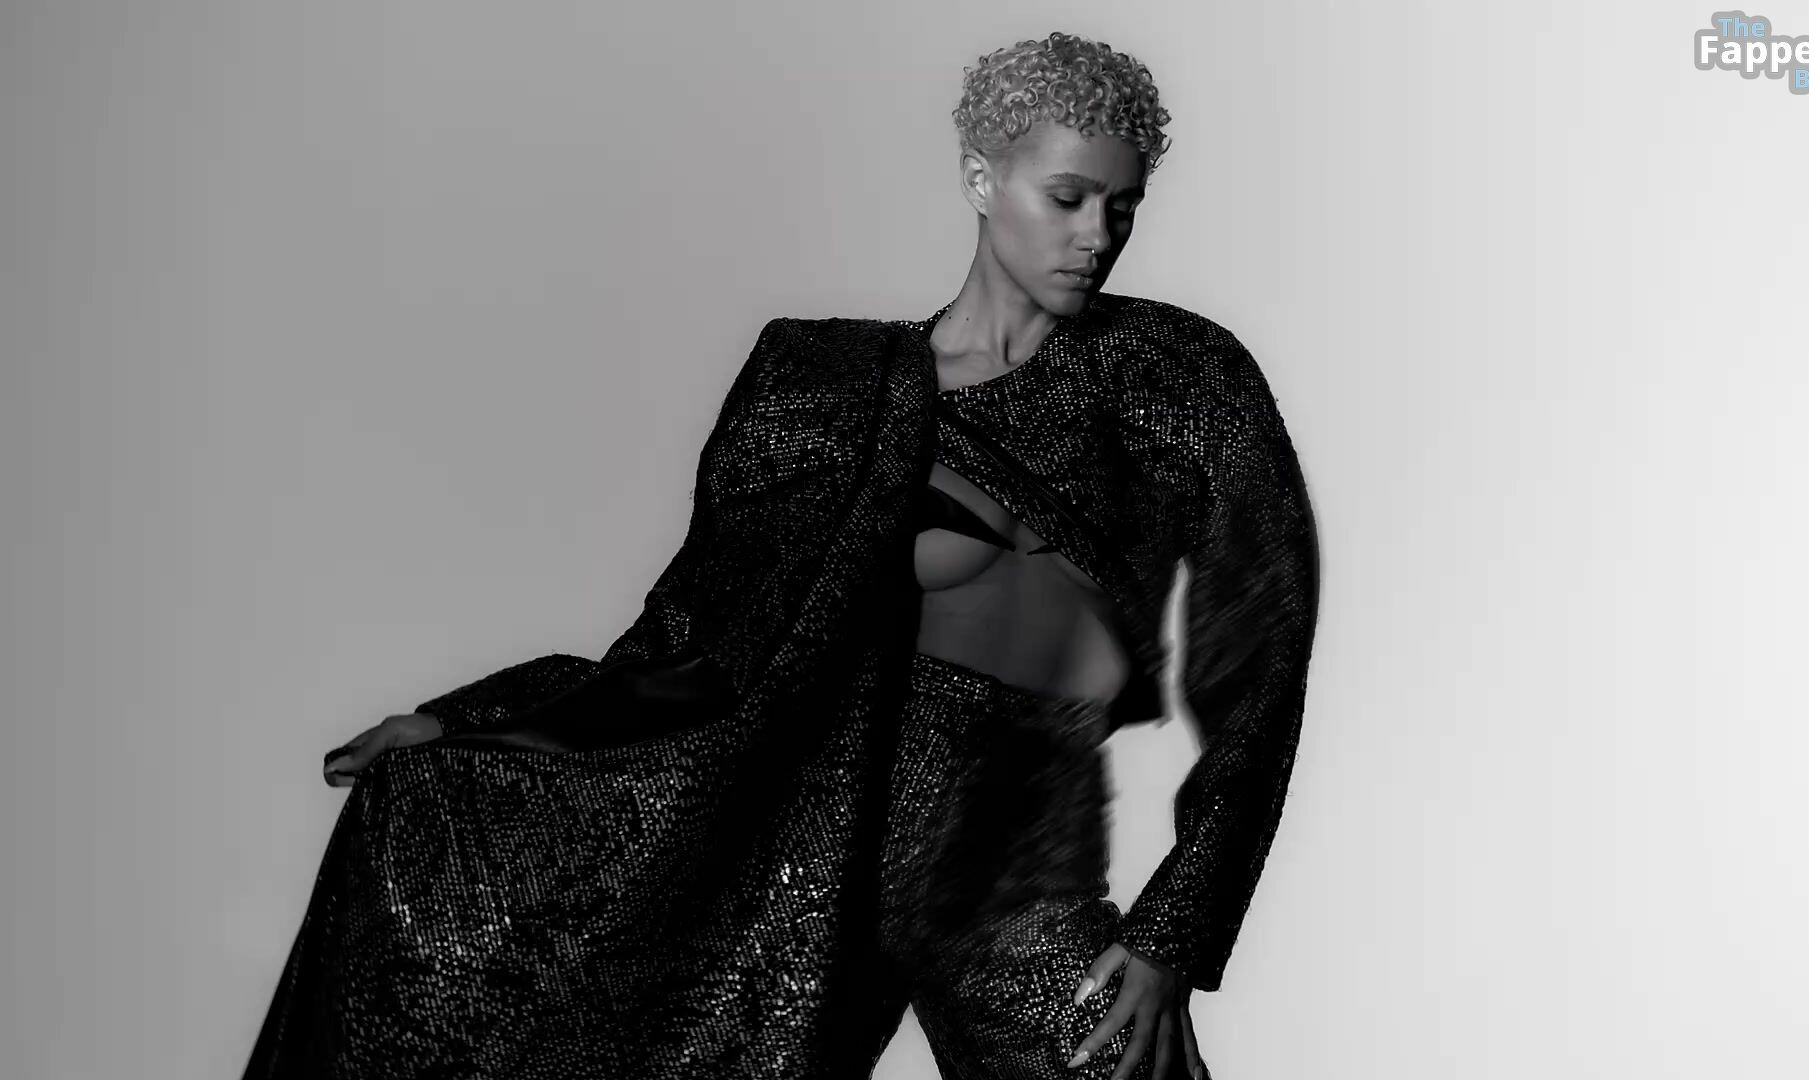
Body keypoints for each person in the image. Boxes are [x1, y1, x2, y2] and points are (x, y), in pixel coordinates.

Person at [245, 30, 1320, 1080]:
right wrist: (466, 722)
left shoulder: (1176, 376)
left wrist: (1174, 930)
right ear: (981, 178)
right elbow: (693, 645)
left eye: (1123, 206)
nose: (1097, 235)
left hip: (1012, 869)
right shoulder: (821, 391)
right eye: (1068, 197)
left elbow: (1260, 653)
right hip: (807, 855)